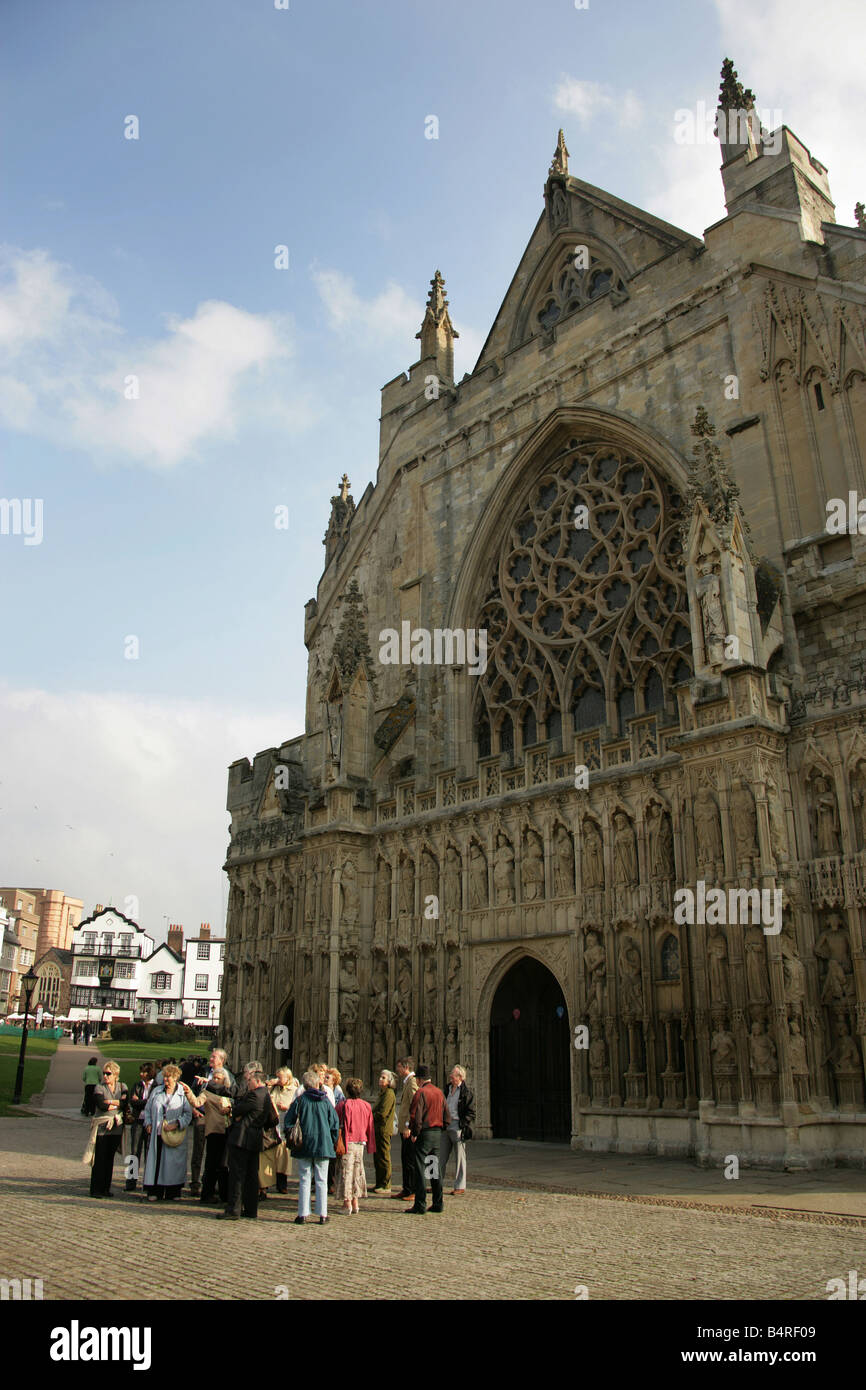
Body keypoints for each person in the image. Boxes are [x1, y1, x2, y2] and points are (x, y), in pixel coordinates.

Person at [219, 1061, 276, 1222]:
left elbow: (237, 1110)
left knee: (237, 1175)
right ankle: (251, 1209)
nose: (248, 1083)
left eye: (250, 1080)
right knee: (251, 1176)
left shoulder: (254, 1095)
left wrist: (234, 1111)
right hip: (255, 1139)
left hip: (242, 1138)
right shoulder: (265, 1095)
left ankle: (233, 1209)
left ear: (257, 1081)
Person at [284, 1067, 340, 1225]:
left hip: (304, 1145)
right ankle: (323, 1214)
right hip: (323, 1145)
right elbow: (335, 1124)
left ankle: (302, 1214)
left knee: (304, 1178)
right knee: (322, 1179)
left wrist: (291, 1137)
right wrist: (332, 1140)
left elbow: (288, 1121)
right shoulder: (325, 1102)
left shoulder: (300, 1101)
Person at [142, 1063, 193, 1201]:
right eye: (164, 1077)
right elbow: (147, 1110)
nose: (166, 1080)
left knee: (173, 1163)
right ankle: (155, 1191)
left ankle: (173, 1191)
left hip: (173, 1134)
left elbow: (188, 1115)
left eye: (169, 1077)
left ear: (175, 1078)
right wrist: (148, 1123)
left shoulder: (182, 1093)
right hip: (157, 1133)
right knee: (157, 1161)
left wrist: (176, 1124)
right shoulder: (156, 1091)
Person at [185, 1068, 233, 1205]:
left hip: (228, 1131)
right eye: (214, 1078)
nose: (216, 1080)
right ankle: (207, 1193)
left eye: (219, 1078)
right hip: (214, 1131)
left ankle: (225, 1195)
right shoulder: (207, 1092)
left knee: (224, 1165)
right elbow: (196, 1102)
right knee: (211, 1164)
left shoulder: (228, 1093)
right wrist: (189, 1093)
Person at [406, 1064, 447, 1215]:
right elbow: (446, 1114)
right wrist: (441, 1128)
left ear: (419, 1079)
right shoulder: (439, 1092)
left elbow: (416, 1115)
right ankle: (438, 1202)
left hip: (424, 1133)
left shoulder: (421, 1093)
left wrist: (415, 1133)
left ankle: (420, 1204)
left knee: (420, 1169)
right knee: (434, 1168)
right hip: (437, 1134)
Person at [86, 1061, 128, 1198]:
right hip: (102, 1127)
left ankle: (105, 1187)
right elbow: (100, 1104)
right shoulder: (99, 1087)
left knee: (109, 1158)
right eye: (104, 1073)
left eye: (108, 1074)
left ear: (116, 1075)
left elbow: (125, 1103)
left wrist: (109, 1102)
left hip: (116, 1127)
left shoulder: (122, 1087)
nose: (105, 1076)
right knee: (100, 1158)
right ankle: (96, 1189)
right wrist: (115, 1104)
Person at [335, 1078, 376, 1214]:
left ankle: (347, 1203)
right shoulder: (366, 1106)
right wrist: (370, 1144)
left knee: (346, 1171)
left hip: (347, 1142)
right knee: (357, 1171)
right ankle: (355, 1201)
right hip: (360, 1142)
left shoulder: (343, 1105)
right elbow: (370, 1127)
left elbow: (335, 1124)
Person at [440, 1064, 475, 1196]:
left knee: (460, 1157)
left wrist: (462, 1124)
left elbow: (471, 1112)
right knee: (440, 1156)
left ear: (460, 1077)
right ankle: (436, 1183)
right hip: (445, 1125)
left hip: (457, 1126)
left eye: (453, 1075)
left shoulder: (466, 1093)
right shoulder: (447, 1089)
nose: (450, 1076)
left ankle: (460, 1185)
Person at [265, 1067, 300, 1195]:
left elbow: (298, 1107)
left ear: (288, 1078)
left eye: (280, 1077)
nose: (278, 1079)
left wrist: (288, 1108)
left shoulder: (294, 1091)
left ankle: (282, 1183)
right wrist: (270, 1085)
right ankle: (267, 1183)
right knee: (271, 1155)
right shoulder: (274, 1088)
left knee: (283, 1157)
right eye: (277, 1077)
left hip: (285, 1126)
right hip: (272, 1126)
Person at [392, 1057, 419, 1202]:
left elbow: (415, 1104)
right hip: (404, 1128)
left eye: (399, 1067)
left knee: (410, 1160)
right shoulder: (407, 1082)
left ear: (406, 1067)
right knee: (405, 1158)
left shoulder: (412, 1081)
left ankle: (413, 1189)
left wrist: (409, 1125)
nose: (398, 1070)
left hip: (408, 1128)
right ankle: (406, 1188)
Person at [124, 1063, 154, 1191]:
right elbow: (133, 1102)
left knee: (149, 1152)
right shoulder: (137, 1085)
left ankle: (148, 1182)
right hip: (138, 1121)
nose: (141, 1074)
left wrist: (141, 1102)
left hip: (150, 1123)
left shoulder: (156, 1086)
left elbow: (153, 1103)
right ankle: (131, 1182)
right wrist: (145, 1102)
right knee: (134, 1152)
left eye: (144, 1072)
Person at [371, 1070, 396, 1194]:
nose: (380, 1079)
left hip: (384, 1129)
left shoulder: (389, 1094)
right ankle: (379, 1182)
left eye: (384, 1077)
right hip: (378, 1129)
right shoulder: (382, 1093)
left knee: (384, 1156)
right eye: (380, 1077)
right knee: (378, 1157)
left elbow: (383, 1113)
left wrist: (370, 1116)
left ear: (389, 1081)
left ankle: (386, 1184)